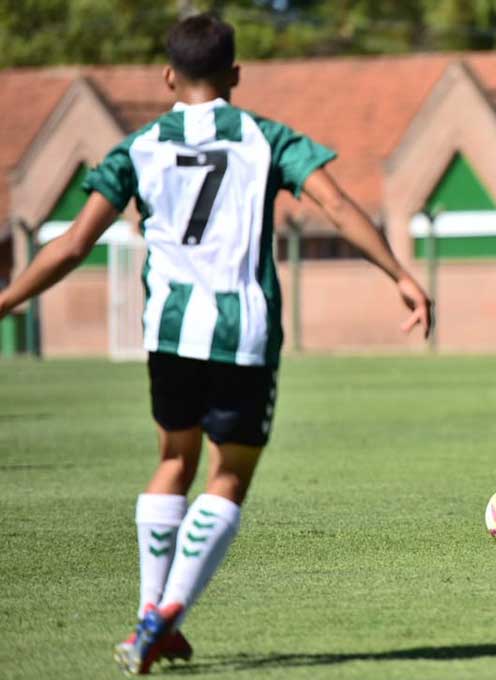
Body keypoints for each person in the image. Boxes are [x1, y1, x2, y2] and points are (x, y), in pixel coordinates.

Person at [0, 13, 432, 674]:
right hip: (244, 330)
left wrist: (4, 300)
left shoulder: (138, 147)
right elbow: (338, 206)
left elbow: (73, 244)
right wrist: (401, 274)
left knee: (173, 457)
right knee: (228, 473)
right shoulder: (265, 138)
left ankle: (153, 614)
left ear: (169, 75)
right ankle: (166, 613)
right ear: (235, 74)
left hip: (168, 329)